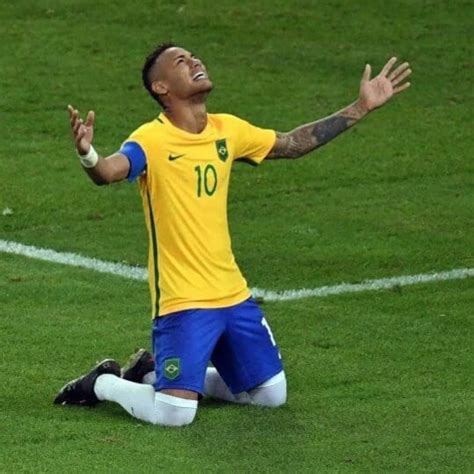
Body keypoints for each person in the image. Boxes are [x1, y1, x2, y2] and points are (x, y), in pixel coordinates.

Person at [54, 43, 411, 426]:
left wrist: (361, 107)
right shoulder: (151, 140)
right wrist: (88, 153)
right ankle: (103, 383)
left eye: (193, 56)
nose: (195, 61)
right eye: (181, 61)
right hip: (183, 300)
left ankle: (152, 374)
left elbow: (293, 144)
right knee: (175, 415)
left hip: (233, 294)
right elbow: (109, 172)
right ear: (161, 87)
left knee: (271, 395)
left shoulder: (228, 129)